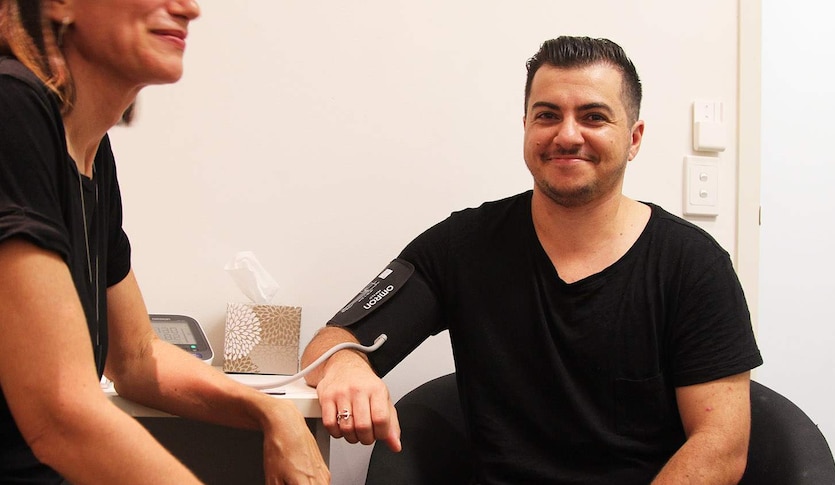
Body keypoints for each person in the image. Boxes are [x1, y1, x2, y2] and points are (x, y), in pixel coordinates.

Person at [301, 35, 762, 484]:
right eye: (547, 115)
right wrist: (346, 364)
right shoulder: (461, 247)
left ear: (635, 138)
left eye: (593, 117)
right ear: (526, 127)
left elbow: (720, 447)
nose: (566, 134)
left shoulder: (695, 266)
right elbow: (329, 343)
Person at [0, 1, 329, 483]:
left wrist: (271, 412)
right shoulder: (12, 109)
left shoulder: (91, 153)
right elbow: (60, 416)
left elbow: (136, 357)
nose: (188, 8)